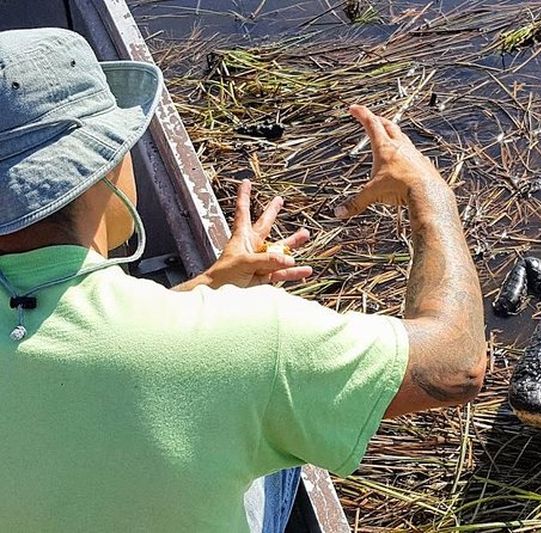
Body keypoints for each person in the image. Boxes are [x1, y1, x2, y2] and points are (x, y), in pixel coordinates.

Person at [0, 28, 486, 532]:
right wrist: (430, 196)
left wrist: (207, 285)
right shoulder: (250, 337)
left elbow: (53, 341)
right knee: (278, 424)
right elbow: (456, 365)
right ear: (103, 168)